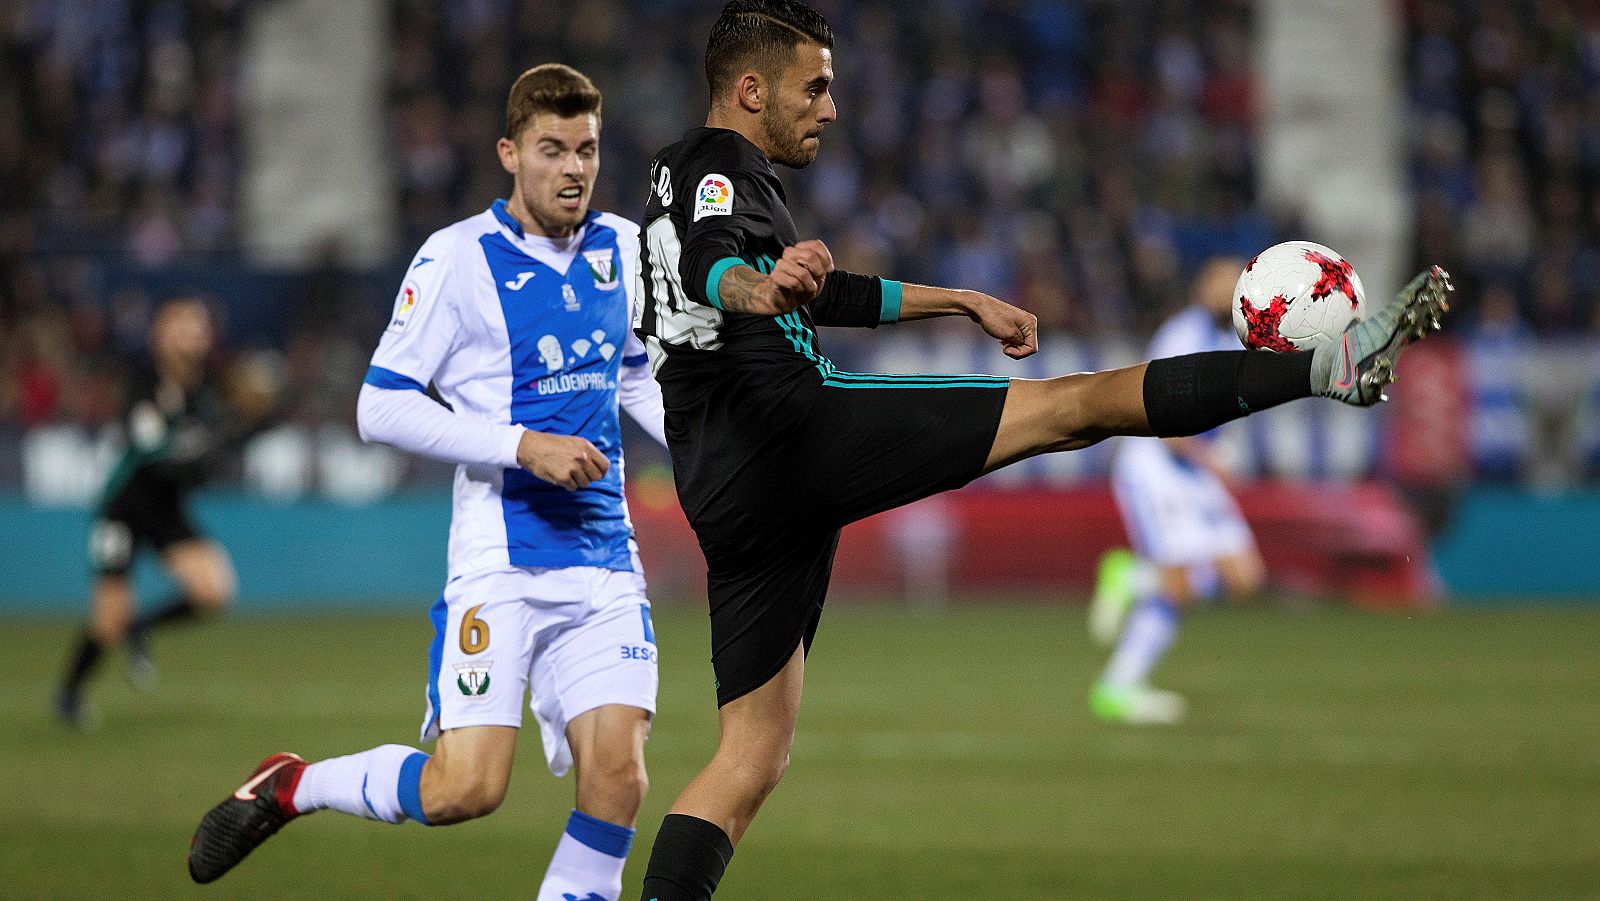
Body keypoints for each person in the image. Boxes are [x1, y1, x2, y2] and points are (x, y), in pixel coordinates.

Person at [628, 2, 1452, 898]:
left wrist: (961, 300)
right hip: (789, 429)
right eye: (815, 86)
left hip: (725, 485)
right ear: (749, 90)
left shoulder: (678, 175)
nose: (831, 107)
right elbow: (719, 267)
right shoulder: (722, 169)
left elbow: (797, 289)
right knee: (1076, 407)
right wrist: (760, 288)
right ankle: (1332, 365)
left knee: (749, 759)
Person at [187, 64, 669, 901]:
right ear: (509, 154)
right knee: (465, 789)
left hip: (602, 560)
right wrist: (524, 445)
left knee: (619, 777)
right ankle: (295, 785)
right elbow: (381, 407)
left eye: (586, 150)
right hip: (500, 562)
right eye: (552, 149)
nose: (573, 169)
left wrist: (705, 447)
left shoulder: (623, 248)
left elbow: (633, 373)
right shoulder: (455, 260)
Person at [54, 295, 258, 731]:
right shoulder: (142, 381)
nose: (195, 334)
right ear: (160, 334)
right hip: (125, 506)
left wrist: (244, 429)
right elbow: (156, 452)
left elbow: (212, 450)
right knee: (107, 619)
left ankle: (140, 626)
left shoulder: (205, 386)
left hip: (164, 506)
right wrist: (212, 447)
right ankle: (68, 694)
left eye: (200, 326)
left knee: (214, 591)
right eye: (184, 324)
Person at [1087, 257, 1268, 725]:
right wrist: (1212, 459)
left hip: (1193, 469)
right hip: (1156, 465)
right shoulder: (1181, 337)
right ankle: (1118, 684)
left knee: (1245, 579)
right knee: (1181, 585)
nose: (1225, 292)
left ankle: (1136, 583)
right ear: (1199, 288)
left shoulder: (1233, 339)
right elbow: (1162, 421)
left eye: (1233, 285)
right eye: (1218, 282)